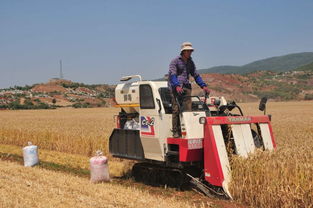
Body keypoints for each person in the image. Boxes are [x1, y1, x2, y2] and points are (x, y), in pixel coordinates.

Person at [168, 42, 210, 138]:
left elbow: (195, 75)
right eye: (188, 51)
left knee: (188, 108)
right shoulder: (175, 61)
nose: (190, 52)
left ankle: (188, 129)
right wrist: (176, 85)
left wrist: (203, 86)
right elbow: (173, 75)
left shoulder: (190, 62)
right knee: (176, 108)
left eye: (191, 51)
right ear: (183, 51)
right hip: (175, 87)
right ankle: (175, 131)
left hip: (186, 86)